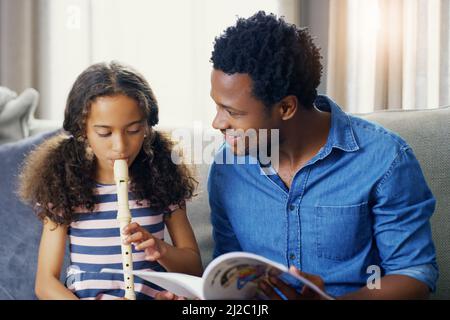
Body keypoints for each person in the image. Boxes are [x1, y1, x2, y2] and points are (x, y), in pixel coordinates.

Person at [204, 11, 439, 300]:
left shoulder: (385, 159)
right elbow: (227, 268)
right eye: (217, 106)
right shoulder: (229, 168)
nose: (217, 123)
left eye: (233, 112)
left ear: (287, 108)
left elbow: (413, 275)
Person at [18, 62, 203, 300]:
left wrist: (160, 250)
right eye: (105, 133)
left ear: (147, 127)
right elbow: (45, 283)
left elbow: (194, 268)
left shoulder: (164, 181)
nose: (120, 147)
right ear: (82, 130)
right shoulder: (63, 186)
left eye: (134, 130)